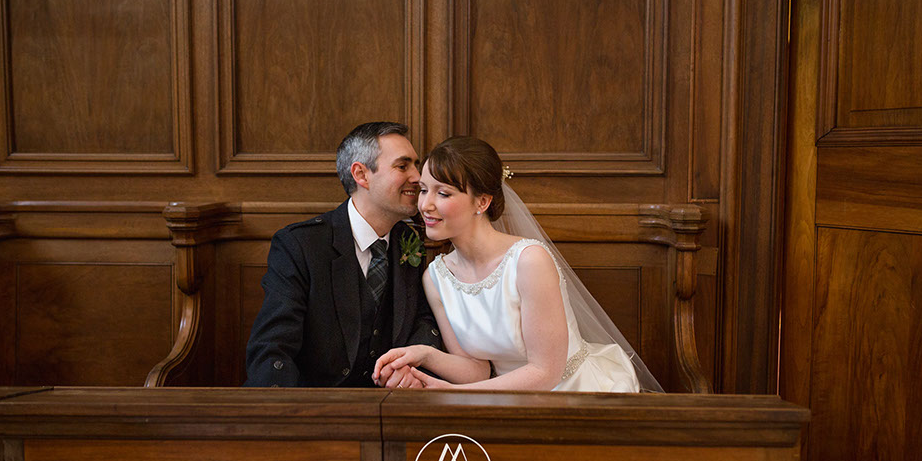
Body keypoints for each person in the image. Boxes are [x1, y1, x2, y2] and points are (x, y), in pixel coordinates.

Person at [373, 136, 662, 392]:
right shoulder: (436, 275)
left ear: (481, 202)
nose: (426, 205)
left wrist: (454, 393)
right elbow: (477, 370)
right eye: (423, 190)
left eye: (443, 193)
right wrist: (423, 354)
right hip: (501, 395)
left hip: (572, 393)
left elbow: (545, 373)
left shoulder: (528, 261)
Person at [245, 122, 441, 387]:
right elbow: (273, 348)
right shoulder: (301, 245)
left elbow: (422, 318)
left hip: (389, 406)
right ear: (361, 174)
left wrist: (410, 366)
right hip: (314, 409)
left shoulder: (409, 240)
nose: (418, 177)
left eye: (416, 165)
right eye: (403, 166)